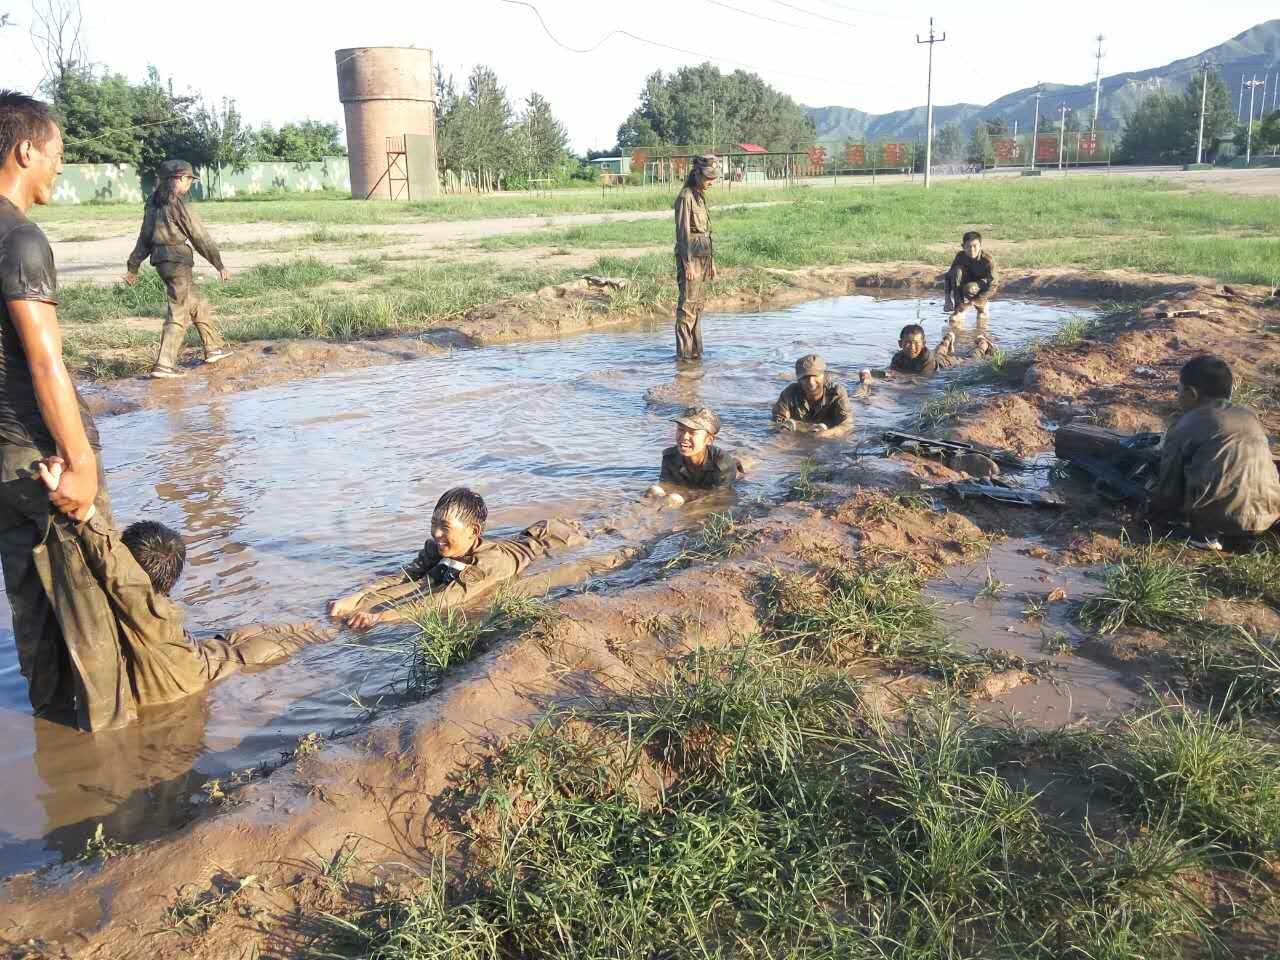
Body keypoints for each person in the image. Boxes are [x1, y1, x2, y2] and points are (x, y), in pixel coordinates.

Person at [0, 91, 134, 732]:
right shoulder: (21, 239)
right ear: (26, 150)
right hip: (41, 455)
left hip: (2, 469)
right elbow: (43, 361)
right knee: (90, 620)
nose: (58, 168)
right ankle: (118, 781)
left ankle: (54, 754)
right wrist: (80, 464)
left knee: (34, 620)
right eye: (56, 154)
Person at [328, 487, 592, 631]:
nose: (436, 534)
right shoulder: (438, 546)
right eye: (433, 525)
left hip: (555, 540)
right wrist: (355, 597)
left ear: (473, 532)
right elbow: (407, 576)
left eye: (444, 527)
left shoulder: (489, 564)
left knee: (602, 527)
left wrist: (381, 617)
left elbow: (448, 599)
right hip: (522, 537)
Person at [1147, 355, 1280, 547]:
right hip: (1268, 515)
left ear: (1191, 393)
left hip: (1221, 522)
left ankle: (1205, 536)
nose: (1177, 396)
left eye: (1179, 390)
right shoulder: (1248, 415)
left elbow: (1169, 489)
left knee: (1161, 515)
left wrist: (1153, 511)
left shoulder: (1187, 424)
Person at [124, 159, 231, 379]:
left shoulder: (152, 203)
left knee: (196, 302)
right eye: (189, 180)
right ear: (179, 179)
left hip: (162, 262)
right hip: (177, 262)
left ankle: (213, 348)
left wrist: (133, 266)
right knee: (179, 309)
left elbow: (144, 238)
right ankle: (164, 364)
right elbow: (199, 236)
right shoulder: (179, 205)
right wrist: (218, 263)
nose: (190, 184)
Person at [673, 154, 719, 361]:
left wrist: (712, 263)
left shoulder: (700, 196)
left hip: (704, 258)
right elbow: (683, 234)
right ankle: (683, 358)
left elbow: (706, 233)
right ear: (697, 173)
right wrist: (688, 264)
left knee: (697, 307)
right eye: (708, 177)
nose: (711, 182)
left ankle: (695, 354)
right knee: (687, 309)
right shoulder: (686, 197)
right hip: (691, 260)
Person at [648, 406, 742, 505]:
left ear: (709, 439)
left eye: (693, 432)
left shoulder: (722, 463)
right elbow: (667, 486)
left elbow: (719, 496)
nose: (684, 437)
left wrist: (685, 497)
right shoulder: (670, 457)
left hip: (736, 471)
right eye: (681, 430)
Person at [772, 354, 853, 436]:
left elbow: (847, 425)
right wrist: (798, 427)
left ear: (824, 376)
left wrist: (826, 433)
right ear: (799, 380)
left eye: (815, 376)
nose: (811, 382)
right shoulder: (789, 393)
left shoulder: (836, 393)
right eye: (805, 377)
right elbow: (776, 422)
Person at [888, 324, 992, 375]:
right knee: (939, 351)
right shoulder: (897, 357)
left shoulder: (927, 359)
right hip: (936, 356)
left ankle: (983, 343)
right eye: (907, 343)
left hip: (947, 363)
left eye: (916, 343)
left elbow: (919, 380)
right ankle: (948, 338)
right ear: (900, 344)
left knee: (973, 358)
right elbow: (892, 371)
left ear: (924, 344)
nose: (912, 347)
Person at [944, 230, 997, 324]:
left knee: (970, 288)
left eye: (975, 246)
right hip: (966, 281)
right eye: (968, 246)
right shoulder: (960, 256)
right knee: (957, 271)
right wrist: (947, 299)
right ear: (963, 246)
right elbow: (949, 276)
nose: (972, 250)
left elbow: (993, 285)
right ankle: (959, 309)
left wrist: (973, 302)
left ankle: (982, 309)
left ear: (980, 246)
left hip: (980, 286)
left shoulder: (987, 260)